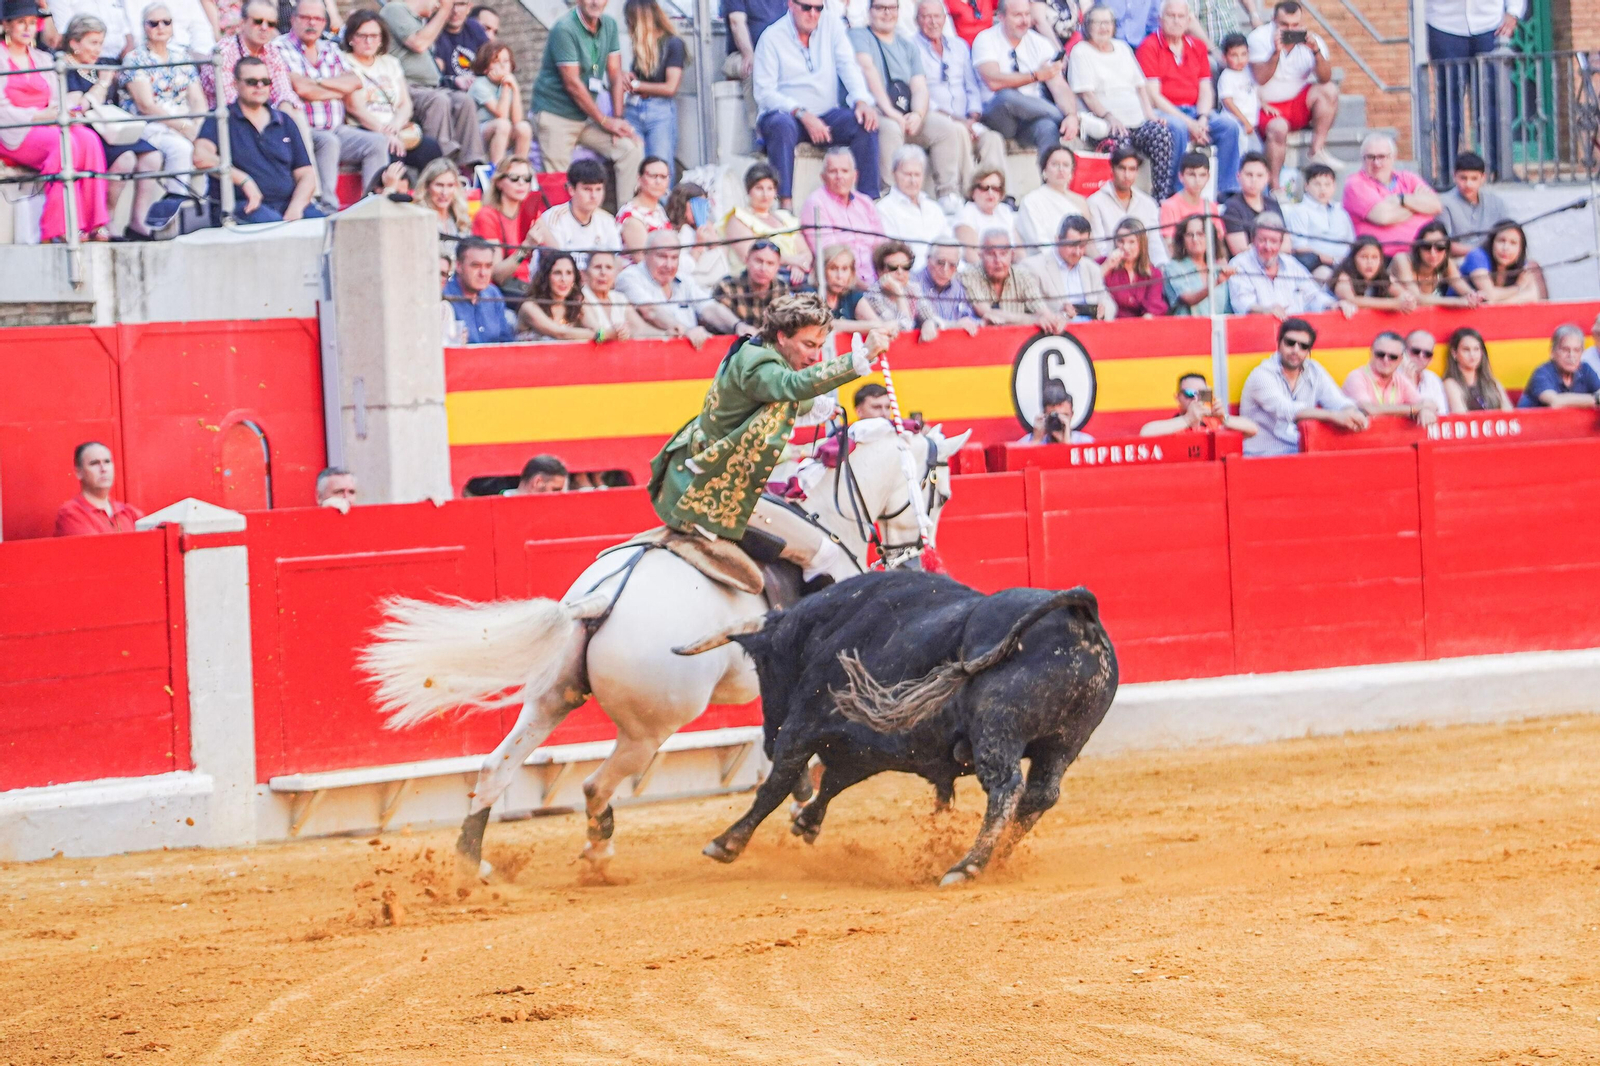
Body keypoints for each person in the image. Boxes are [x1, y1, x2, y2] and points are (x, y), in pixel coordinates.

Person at [648, 292, 888, 585]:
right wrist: (860, 358)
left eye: (820, 346)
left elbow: (779, 395)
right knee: (825, 553)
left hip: (698, 479)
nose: (814, 356)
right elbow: (790, 385)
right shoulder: (761, 366)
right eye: (808, 345)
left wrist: (817, 406)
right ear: (782, 336)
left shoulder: (760, 353)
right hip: (712, 493)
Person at [0, 0, 110, 242]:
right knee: (64, 144)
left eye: (32, 23)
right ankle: (59, 226)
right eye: (21, 23)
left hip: (46, 124)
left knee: (89, 139)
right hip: (13, 131)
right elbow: (2, 110)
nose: (28, 29)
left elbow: (53, 99)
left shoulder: (42, 59)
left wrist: (62, 110)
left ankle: (95, 223)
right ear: (6, 25)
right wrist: (43, 116)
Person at [753, 0, 879, 208]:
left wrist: (861, 100)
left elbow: (848, 66)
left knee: (865, 123)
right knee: (780, 126)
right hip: (786, 114)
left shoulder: (832, 25)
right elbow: (764, 93)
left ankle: (868, 204)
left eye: (818, 8)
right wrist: (801, 112)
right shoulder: (771, 37)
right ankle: (785, 205)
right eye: (806, 7)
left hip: (826, 113)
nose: (813, 14)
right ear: (790, 5)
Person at [61, 13, 162, 239]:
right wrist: (104, 82)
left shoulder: (102, 65)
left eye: (101, 43)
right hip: (88, 131)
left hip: (114, 128)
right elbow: (78, 106)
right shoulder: (64, 68)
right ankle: (108, 219)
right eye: (93, 43)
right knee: (125, 159)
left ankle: (139, 221)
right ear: (74, 43)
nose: (98, 49)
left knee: (152, 156)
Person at [852, 0, 966, 200]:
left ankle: (948, 195)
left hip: (905, 111)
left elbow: (920, 86)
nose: (886, 13)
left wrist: (918, 114)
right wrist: (891, 112)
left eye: (891, 8)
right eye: (880, 8)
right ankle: (891, 195)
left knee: (945, 128)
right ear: (869, 11)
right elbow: (868, 72)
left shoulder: (906, 45)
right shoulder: (858, 36)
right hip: (875, 110)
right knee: (889, 128)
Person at [531, 0, 642, 201]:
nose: (595, 2)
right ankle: (564, 229)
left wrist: (617, 120)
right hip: (556, 114)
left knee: (631, 149)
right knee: (559, 184)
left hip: (585, 117)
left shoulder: (609, 24)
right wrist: (605, 121)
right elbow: (572, 84)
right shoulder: (564, 28)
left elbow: (615, 74)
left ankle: (626, 218)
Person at [275, 0, 379, 213]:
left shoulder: (331, 48)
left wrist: (317, 83)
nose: (312, 23)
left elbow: (355, 82)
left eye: (318, 19)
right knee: (327, 141)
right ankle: (327, 208)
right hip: (302, 133)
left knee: (377, 143)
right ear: (293, 19)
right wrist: (334, 87)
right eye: (306, 17)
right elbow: (302, 89)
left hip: (338, 128)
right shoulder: (278, 47)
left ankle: (371, 208)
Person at [193, 56, 322, 223]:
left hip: (288, 205)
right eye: (252, 81)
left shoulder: (284, 120)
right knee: (274, 227)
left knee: (328, 229)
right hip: (243, 205)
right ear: (235, 84)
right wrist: (244, 180)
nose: (260, 86)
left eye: (265, 81)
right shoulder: (221, 118)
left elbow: (306, 174)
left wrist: (296, 207)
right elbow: (200, 157)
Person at [1138, 0, 1243, 197]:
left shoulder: (1197, 46)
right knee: (1176, 128)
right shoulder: (1149, 46)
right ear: (1160, 19)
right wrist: (1190, 124)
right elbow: (1154, 97)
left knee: (1229, 127)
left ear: (1188, 21)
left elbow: (1205, 89)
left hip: (1195, 111)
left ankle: (1227, 192)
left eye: (1181, 17)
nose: (1176, 21)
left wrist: (1202, 119)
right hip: (1165, 111)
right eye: (1171, 16)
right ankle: (1175, 192)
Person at [1070, 5, 1176, 199]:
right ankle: (1122, 198)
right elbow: (1087, 95)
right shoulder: (1081, 51)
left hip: (1137, 119)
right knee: (1122, 146)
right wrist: (1110, 117)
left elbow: (1140, 86)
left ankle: (1161, 197)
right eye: (1097, 23)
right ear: (1087, 26)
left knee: (1162, 134)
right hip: (1105, 122)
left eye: (1108, 22)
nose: (1104, 27)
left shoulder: (1122, 48)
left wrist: (1150, 116)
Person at [913, 0, 1005, 208]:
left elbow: (971, 86)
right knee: (958, 131)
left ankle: (997, 194)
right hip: (939, 118)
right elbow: (922, 93)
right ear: (917, 20)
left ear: (945, 19)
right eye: (926, 17)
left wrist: (973, 116)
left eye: (937, 17)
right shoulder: (911, 47)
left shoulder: (959, 46)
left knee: (993, 139)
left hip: (967, 118)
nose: (933, 22)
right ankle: (970, 193)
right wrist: (961, 121)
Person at [122, 1, 209, 211]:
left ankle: (212, 208)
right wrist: (185, 128)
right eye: (154, 23)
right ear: (144, 27)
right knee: (181, 148)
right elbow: (146, 106)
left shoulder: (182, 57)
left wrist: (197, 126)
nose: (160, 27)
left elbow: (197, 100)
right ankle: (173, 204)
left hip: (183, 123)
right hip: (148, 124)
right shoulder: (135, 58)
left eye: (166, 22)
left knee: (210, 143)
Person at [972, 0, 1081, 168]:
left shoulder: (1040, 43)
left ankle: (1049, 184)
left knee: (1047, 127)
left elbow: (1059, 86)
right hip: (997, 117)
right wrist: (1036, 76)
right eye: (1017, 15)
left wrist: (1072, 116)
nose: (1024, 21)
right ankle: (1059, 117)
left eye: (1027, 14)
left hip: (1029, 119)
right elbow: (994, 81)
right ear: (1001, 17)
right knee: (1007, 96)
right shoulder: (985, 39)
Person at [1239, 316, 1369, 456]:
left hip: (1301, 452)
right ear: (1279, 344)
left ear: (1308, 351)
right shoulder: (1262, 375)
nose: (1296, 350)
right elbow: (1287, 410)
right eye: (1290, 343)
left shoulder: (1314, 370)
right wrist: (1335, 416)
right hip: (1261, 456)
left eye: (1303, 346)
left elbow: (1337, 401)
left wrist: (1351, 412)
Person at [379, 0, 486, 168]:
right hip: (404, 87)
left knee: (464, 101)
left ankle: (472, 166)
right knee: (438, 101)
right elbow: (418, 43)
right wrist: (445, 9)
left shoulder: (418, 20)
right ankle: (437, 168)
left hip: (430, 87)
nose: (439, 6)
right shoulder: (394, 9)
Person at [1424, 0, 1522, 179]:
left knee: (1494, 100)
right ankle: (1447, 172)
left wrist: (1514, 12)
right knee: (1448, 101)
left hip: (1490, 23)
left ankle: (1500, 169)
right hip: (1443, 22)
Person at [1247, 0, 1337, 187]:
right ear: (1273, 21)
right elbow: (1260, 78)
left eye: (1295, 25)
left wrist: (1316, 52)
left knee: (1329, 90)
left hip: (1297, 103)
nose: (1290, 30)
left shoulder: (1312, 41)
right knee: (1278, 128)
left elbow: (1325, 78)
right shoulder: (1259, 38)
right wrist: (1275, 53)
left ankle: (1317, 150)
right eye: (1284, 25)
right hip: (1267, 106)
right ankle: (1274, 185)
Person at [343, 10, 445, 173]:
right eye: (362, 36)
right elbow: (354, 107)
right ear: (350, 38)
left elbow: (405, 103)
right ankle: (391, 194)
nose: (368, 41)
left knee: (430, 149)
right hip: (366, 128)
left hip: (396, 127)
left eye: (374, 36)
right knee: (392, 151)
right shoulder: (344, 62)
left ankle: (425, 195)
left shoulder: (390, 63)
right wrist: (385, 132)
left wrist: (396, 126)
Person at [617, 229, 742, 347]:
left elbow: (709, 308)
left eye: (674, 258)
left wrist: (738, 326)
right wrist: (686, 331)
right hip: (652, 354)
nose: (669, 265)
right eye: (662, 257)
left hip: (691, 352)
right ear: (646, 254)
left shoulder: (684, 279)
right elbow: (650, 311)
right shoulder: (629, 277)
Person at [1227, 211, 1345, 316]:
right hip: (1259, 331)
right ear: (1253, 240)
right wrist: (1266, 311)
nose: (1268, 247)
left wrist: (1332, 305)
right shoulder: (1239, 264)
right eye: (1262, 240)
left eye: (1273, 241)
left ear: (1281, 243)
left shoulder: (1290, 263)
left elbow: (1313, 296)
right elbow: (1242, 304)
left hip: (1295, 331)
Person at [799, 147, 887, 285]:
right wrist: (866, 289)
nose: (839, 176)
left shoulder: (865, 203)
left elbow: (881, 247)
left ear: (855, 175)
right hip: (841, 283)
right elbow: (830, 256)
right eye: (833, 171)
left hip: (875, 281)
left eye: (845, 171)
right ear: (823, 177)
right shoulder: (816, 203)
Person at [1342, 132, 1441, 254]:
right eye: (1370, 157)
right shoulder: (1355, 184)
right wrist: (1417, 205)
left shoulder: (1408, 178)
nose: (1376, 163)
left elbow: (1435, 205)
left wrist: (1402, 200)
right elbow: (1384, 217)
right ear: (1362, 159)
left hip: (1427, 252)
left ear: (1393, 157)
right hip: (1382, 256)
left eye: (1382, 157)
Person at [961, 229, 1070, 330]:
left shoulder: (1023, 276)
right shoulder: (970, 275)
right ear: (981, 255)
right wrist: (1034, 320)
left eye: (1003, 254)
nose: (998, 260)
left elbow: (1043, 312)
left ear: (1012, 255)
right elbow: (989, 314)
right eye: (991, 254)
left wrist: (1057, 319)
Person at [529, 158, 622, 271]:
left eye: (598, 189)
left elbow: (616, 261)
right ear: (571, 190)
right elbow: (558, 265)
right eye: (587, 189)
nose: (594, 196)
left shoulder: (607, 220)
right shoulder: (553, 218)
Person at [623, 0, 683, 170]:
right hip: (633, 108)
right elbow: (639, 78)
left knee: (660, 167)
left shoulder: (673, 43)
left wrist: (638, 85)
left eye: (630, 20)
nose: (628, 24)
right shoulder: (640, 44)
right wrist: (628, 77)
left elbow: (670, 88)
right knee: (634, 167)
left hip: (659, 111)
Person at [1024, 213, 1117, 320]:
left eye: (1082, 246)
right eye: (1072, 245)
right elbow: (1030, 311)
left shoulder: (1091, 268)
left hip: (1091, 331)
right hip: (1055, 334)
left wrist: (1104, 310)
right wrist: (1060, 314)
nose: (1077, 252)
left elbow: (1109, 303)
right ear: (1057, 240)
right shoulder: (1033, 268)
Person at [723, 162, 810, 277]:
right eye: (759, 188)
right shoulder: (738, 218)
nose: (765, 194)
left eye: (770, 188)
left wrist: (798, 266)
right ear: (749, 190)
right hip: (754, 280)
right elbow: (750, 255)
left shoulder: (785, 218)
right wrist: (792, 261)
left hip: (793, 276)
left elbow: (806, 252)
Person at [1087, 146, 1167, 265]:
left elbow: (1154, 242)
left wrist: (1162, 266)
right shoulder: (1095, 202)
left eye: (1132, 169)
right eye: (1122, 168)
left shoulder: (1148, 204)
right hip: (1111, 270)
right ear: (1112, 170)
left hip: (1142, 271)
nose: (1127, 175)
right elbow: (1099, 246)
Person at [469, 153, 536, 296]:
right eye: (514, 178)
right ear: (499, 183)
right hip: (501, 292)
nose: (521, 183)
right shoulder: (487, 216)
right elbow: (496, 275)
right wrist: (525, 248)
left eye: (526, 179)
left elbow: (556, 250)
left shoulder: (531, 211)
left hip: (529, 286)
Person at [877, 145, 952, 270]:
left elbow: (949, 244)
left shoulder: (934, 208)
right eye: (907, 174)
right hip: (910, 276)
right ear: (894, 174)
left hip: (943, 273)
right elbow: (893, 255)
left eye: (917, 174)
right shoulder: (884, 209)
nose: (913, 180)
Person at [1341, 331, 1438, 427]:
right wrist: (1414, 409)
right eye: (1380, 354)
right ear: (1371, 353)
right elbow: (1369, 409)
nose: (1386, 360)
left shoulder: (1400, 379)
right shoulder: (1357, 377)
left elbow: (1430, 404)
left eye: (1393, 357)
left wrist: (1424, 410)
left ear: (1401, 359)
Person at [1281, 161, 1353, 280]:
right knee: (1331, 277)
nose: (1322, 189)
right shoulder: (1299, 211)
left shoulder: (1341, 212)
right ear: (1306, 186)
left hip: (1346, 264)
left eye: (1327, 184)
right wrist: (1330, 259)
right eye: (1317, 184)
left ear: (1334, 186)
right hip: (1317, 265)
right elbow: (1299, 246)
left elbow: (1351, 242)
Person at [54, 441, 142, 535]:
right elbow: (96, 549)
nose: (103, 469)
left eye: (107, 462)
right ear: (79, 472)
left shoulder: (129, 512)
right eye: (94, 463)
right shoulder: (71, 514)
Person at [1390, 219, 1481, 308]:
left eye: (1440, 247)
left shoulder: (1446, 262)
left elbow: (1461, 285)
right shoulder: (1402, 260)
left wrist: (1473, 296)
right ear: (1418, 248)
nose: (1433, 253)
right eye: (1426, 247)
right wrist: (1458, 302)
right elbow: (1416, 298)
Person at [467, 40, 530, 165]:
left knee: (524, 127)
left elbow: (517, 119)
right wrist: (506, 87)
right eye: (496, 62)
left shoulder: (508, 81)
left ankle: (520, 167)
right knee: (503, 124)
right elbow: (501, 114)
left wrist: (515, 88)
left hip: (502, 130)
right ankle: (497, 169)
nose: (502, 66)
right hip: (478, 133)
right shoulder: (480, 84)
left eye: (506, 61)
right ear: (485, 68)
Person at [713, 239, 794, 336]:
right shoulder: (728, 285)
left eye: (770, 263)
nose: (763, 268)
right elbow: (713, 321)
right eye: (759, 261)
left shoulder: (782, 288)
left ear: (778, 266)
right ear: (747, 260)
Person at [1016, 145, 1091, 248]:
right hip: (1044, 260)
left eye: (1066, 165)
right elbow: (1038, 242)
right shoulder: (1031, 201)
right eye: (1055, 164)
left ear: (1072, 172)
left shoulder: (1080, 201)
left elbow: (1088, 241)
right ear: (1044, 171)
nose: (1061, 169)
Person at [1438, 151, 1509, 259]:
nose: (1468, 184)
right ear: (1454, 176)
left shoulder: (1496, 202)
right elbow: (1443, 243)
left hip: (1495, 259)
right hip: (1460, 261)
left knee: (1531, 266)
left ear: (1483, 178)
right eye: (1463, 178)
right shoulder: (1444, 203)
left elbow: (1508, 234)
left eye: (1474, 178)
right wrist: (1480, 251)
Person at [1140, 371, 1259, 436]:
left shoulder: (1214, 425)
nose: (1196, 399)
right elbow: (1146, 433)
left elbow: (1252, 429)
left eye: (1202, 394)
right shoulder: (1172, 427)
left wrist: (1223, 419)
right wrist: (1187, 420)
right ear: (1178, 398)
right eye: (1190, 393)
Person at [445, 237, 516, 343]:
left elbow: (506, 340)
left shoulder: (494, 293)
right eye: (476, 266)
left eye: (488, 266)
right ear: (459, 266)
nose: (483, 273)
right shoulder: (444, 296)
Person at [1461, 219, 1545, 304]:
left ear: (1521, 249)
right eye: (1501, 241)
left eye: (1513, 243)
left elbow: (1533, 297)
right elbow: (1489, 295)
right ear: (1492, 242)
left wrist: (1500, 302)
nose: (1506, 248)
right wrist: (1518, 287)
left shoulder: (1522, 264)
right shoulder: (1477, 256)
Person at [665, 179, 730, 289]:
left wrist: (708, 228)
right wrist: (698, 245)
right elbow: (682, 267)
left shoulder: (700, 229)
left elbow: (721, 256)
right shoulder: (675, 232)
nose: (700, 211)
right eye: (696, 206)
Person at [1163, 212, 1232, 315]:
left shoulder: (1219, 269)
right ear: (1182, 240)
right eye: (1190, 235)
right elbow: (1189, 299)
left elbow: (1228, 311)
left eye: (1200, 234)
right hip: (1187, 328)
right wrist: (1216, 282)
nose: (1195, 239)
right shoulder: (1173, 267)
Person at [865, 239, 938, 336]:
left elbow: (930, 316)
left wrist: (929, 323)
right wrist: (899, 294)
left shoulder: (912, 288)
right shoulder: (873, 296)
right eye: (893, 268)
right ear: (880, 272)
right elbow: (903, 329)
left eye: (906, 267)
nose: (900, 272)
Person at [1519, 324, 1600, 408]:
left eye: (1576, 350)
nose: (1571, 355)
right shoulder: (1542, 373)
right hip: (1531, 421)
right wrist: (1596, 399)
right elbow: (1555, 402)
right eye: (1565, 350)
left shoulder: (1585, 369)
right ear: (1552, 352)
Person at [517, 250, 592, 340]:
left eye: (568, 273)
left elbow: (596, 328)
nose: (563, 279)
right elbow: (559, 334)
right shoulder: (529, 307)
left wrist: (606, 333)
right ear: (546, 277)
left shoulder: (577, 303)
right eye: (557, 273)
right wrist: (599, 335)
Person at [1156, 151, 1220, 257]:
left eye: (1202, 175)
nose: (1197, 180)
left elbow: (1218, 242)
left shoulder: (1211, 207)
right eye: (1192, 175)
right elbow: (1171, 245)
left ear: (1208, 177)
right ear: (1181, 176)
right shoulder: (1169, 206)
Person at [1101, 216, 1167, 316]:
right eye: (1121, 241)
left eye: (1131, 242)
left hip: (1141, 326)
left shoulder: (1153, 273)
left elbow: (1154, 305)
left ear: (1141, 244)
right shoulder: (1103, 263)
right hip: (1110, 324)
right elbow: (1089, 288)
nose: (1125, 247)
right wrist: (1107, 266)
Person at [1330, 235, 1414, 312]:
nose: (1370, 262)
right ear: (1353, 259)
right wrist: (1393, 304)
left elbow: (1404, 294)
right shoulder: (1344, 276)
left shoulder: (1382, 276)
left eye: (1375, 257)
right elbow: (1351, 300)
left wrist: (1407, 300)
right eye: (1364, 257)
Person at [581, 249, 652, 341]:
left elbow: (640, 329)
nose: (603, 273)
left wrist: (666, 333)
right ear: (585, 274)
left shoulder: (619, 298)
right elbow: (596, 332)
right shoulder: (580, 297)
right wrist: (613, 333)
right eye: (597, 267)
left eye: (608, 267)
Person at [1219, 150, 1278, 255]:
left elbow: (1287, 245)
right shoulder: (1232, 208)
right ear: (1238, 176)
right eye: (1249, 175)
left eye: (1259, 175)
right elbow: (1240, 250)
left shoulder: (1273, 204)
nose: (1254, 180)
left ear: (1267, 178)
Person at [812, 242, 881, 333]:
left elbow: (878, 325)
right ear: (821, 270)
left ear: (852, 272)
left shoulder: (853, 296)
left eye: (844, 269)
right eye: (833, 268)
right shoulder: (810, 295)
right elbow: (826, 324)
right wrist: (869, 326)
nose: (839, 276)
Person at [1441, 325, 1511, 412]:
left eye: (1476, 349)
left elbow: (1509, 414)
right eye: (1466, 349)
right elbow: (1461, 417)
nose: (1472, 354)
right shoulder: (1450, 384)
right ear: (1454, 353)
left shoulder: (1493, 383)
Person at [952, 167, 1016, 262]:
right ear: (973, 192)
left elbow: (1019, 251)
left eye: (995, 188)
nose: (990, 193)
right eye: (984, 188)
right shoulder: (966, 214)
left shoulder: (1005, 211)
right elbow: (973, 258)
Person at [916, 238, 981, 330]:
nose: (945, 269)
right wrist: (956, 325)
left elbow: (969, 319)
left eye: (952, 264)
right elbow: (929, 319)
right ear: (928, 259)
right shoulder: (913, 283)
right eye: (940, 262)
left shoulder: (959, 286)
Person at [720, 0, 787, 80]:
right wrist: (748, 54)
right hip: (741, 54)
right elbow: (736, 23)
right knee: (755, 67)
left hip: (778, 54)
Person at [432, 0, 488, 92]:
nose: (455, 11)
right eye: (451, 5)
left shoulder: (474, 28)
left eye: (461, 4)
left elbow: (491, 58)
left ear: (469, 7)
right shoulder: (433, 32)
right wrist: (454, 81)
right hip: (448, 94)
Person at [1214, 31, 1258, 145]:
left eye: (1243, 54)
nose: (1240, 59)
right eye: (1234, 55)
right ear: (1225, 57)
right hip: (1237, 123)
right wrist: (1244, 122)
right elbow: (1228, 102)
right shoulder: (1227, 76)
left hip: (1251, 122)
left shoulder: (1248, 72)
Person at [418, 155, 469, 253]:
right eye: (439, 185)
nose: (444, 193)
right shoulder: (419, 218)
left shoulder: (459, 216)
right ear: (427, 186)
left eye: (450, 185)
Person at [1020, 379, 1092, 443]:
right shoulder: (1028, 442)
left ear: (1072, 414)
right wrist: (1036, 440)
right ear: (1044, 415)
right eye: (1053, 416)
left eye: (1064, 416)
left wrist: (1066, 442)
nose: (1057, 421)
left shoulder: (1085, 442)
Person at [1400, 329, 1451, 416]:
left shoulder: (1433, 379)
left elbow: (1442, 414)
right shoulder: (1391, 377)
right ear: (1403, 352)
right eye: (1415, 351)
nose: (1421, 357)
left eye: (1427, 354)